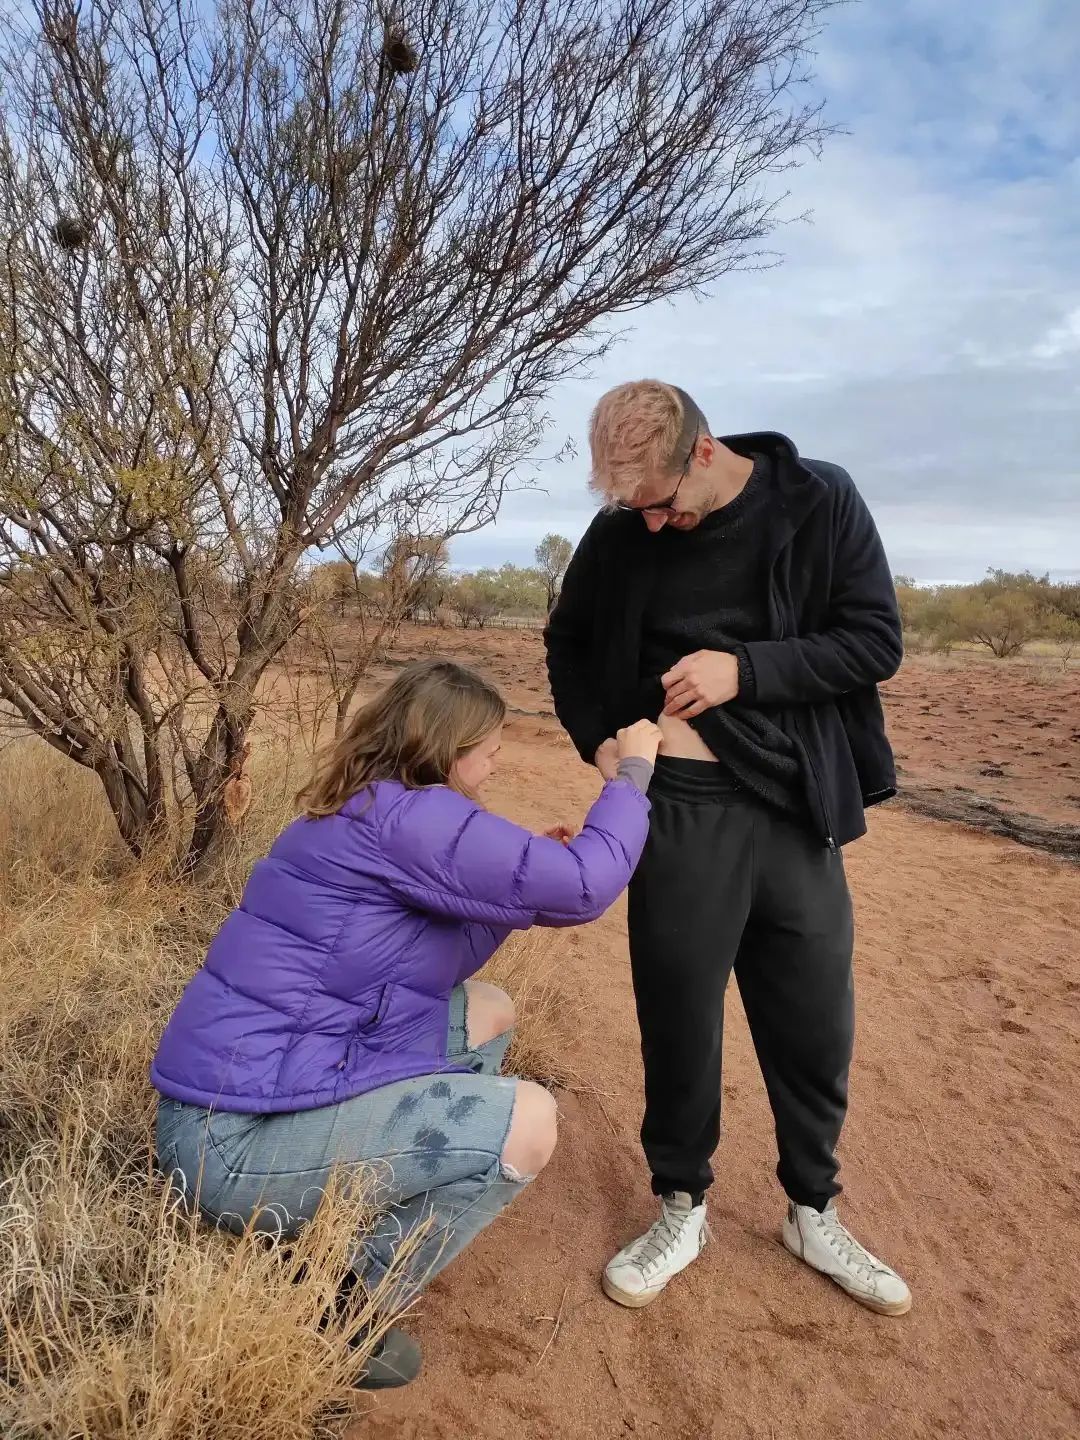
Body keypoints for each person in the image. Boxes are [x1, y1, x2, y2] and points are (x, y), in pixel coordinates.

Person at [151, 659, 661, 1389]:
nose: (495, 761)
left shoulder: (365, 807)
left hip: (238, 1106)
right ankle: (342, 1313)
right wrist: (631, 775)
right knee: (529, 1123)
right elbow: (587, 885)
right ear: (446, 750)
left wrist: (509, 898)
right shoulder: (416, 817)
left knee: (489, 1010)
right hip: (229, 1150)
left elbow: (432, 966)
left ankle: (381, 1189)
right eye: (486, 747)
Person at [544, 380, 911, 1317]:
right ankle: (681, 1204)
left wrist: (745, 670)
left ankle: (812, 1209)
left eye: (661, 504)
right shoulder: (625, 531)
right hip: (680, 804)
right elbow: (570, 639)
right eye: (632, 510)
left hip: (797, 801)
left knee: (814, 1015)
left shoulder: (819, 501)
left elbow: (873, 641)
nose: (652, 526)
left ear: (703, 452)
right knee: (679, 1013)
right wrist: (598, 741)